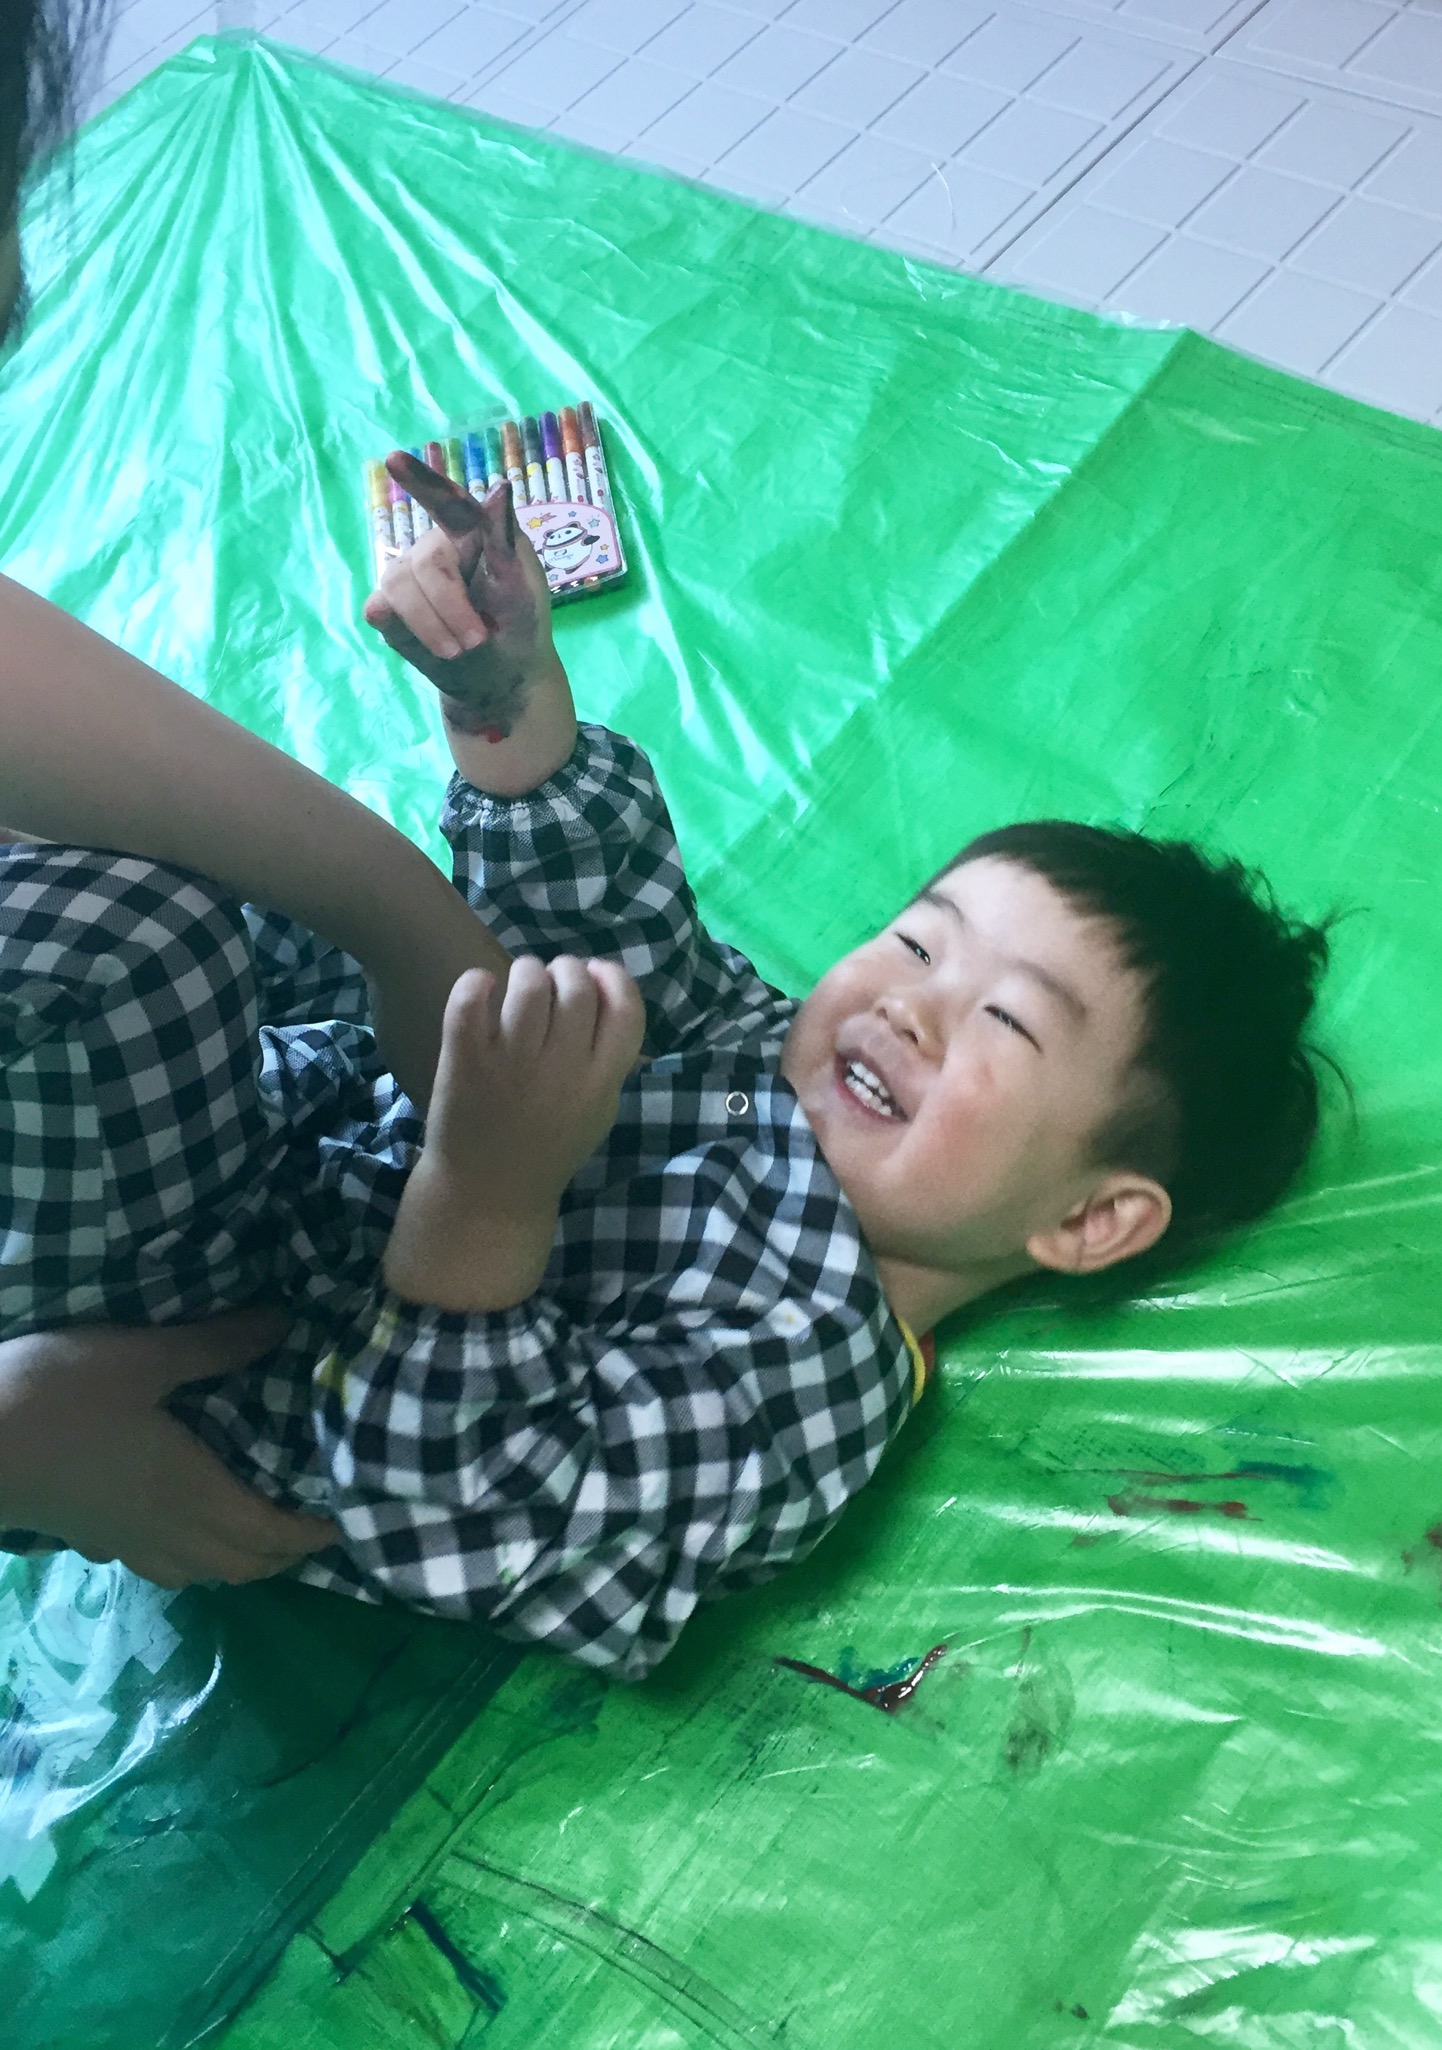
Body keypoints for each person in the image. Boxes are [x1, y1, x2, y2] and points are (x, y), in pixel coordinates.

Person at [0, 445, 1330, 1675]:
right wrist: (509, 698)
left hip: (205, 1340)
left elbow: (459, 1511)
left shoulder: (808, 1373)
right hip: (293, 1121)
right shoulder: (769, 1063)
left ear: (1088, 1218)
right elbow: (612, 944)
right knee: (174, 838)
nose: (912, 1007)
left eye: (1009, 1022)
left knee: (144, 933)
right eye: (920, 943)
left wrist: (485, 1200)